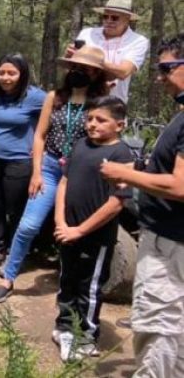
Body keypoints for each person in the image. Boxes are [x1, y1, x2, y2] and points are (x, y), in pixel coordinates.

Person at [0, 45, 114, 302]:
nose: (79, 72)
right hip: (49, 167)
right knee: (28, 225)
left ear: (96, 74)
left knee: (72, 228)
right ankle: (8, 277)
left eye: (86, 69)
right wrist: (36, 172)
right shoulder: (55, 97)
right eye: (75, 66)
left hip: (81, 172)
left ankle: (72, 287)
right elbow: (40, 135)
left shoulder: (101, 102)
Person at [100, 34, 184, 377]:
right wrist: (139, 176)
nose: (160, 77)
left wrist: (124, 173)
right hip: (169, 238)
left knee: (157, 325)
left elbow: (180, 186)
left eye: (166, 68)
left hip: (170, 244)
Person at [52, 96, 133, 362]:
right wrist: (61, 222)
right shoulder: (80, 145)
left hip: (96, 238)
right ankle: (64, 327)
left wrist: (80, 231)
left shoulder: (121, 154)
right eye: (89, 119)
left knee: (89, 287)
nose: (92, 124)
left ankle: (85, 335)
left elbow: (116, 203)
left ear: (119, 125)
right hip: (67, 231)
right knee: (66, 280)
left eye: (101, 120)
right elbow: (64, 183)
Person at [0, 53, 46, 270]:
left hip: (20, 162)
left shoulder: (36, 97)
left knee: (16, 210)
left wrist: (42, 147)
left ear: (22, 74)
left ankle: (16, 255)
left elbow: (54, 119)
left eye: (11, 73)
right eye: (2, 73)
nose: (6, 77)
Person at [71, 0, 149, 103]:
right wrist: (70, 56)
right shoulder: (87, 34)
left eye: (114, 18)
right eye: (105, 16)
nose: (108, 20)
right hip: (81, 99)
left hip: (113, 104)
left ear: (127, 19)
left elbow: (124, 71)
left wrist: (93, 59)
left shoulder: (138, 41)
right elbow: (71, 68)